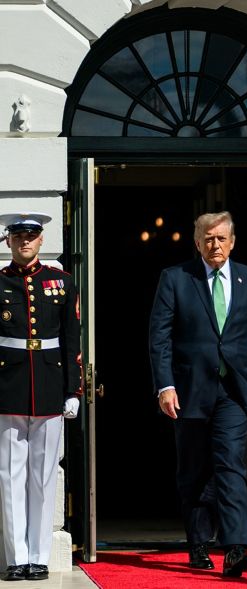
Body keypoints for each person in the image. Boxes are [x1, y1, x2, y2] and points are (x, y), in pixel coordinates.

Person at [148, 211, 247, 578]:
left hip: (235, 391)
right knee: (194, 469)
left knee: (230, 464)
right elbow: (160, 336)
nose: (214, 245)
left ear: (232, 242)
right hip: (189, 390)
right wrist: (165, 386)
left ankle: (235, 548)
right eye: (208, 238)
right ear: (197, 242)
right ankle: (199, 543)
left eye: (221, 238)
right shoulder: (175, 278)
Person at [0, 212, 82, 581]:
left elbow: (72, 339)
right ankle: (16, 557)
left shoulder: (61, 282)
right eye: (18, 236)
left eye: (31, 236)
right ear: (8, 241)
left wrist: (73, 389)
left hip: (49, 384)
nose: (25, 242)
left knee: (43, 477)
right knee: (10, 476)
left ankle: (39, 556)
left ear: (41, 239)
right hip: (8, 387)